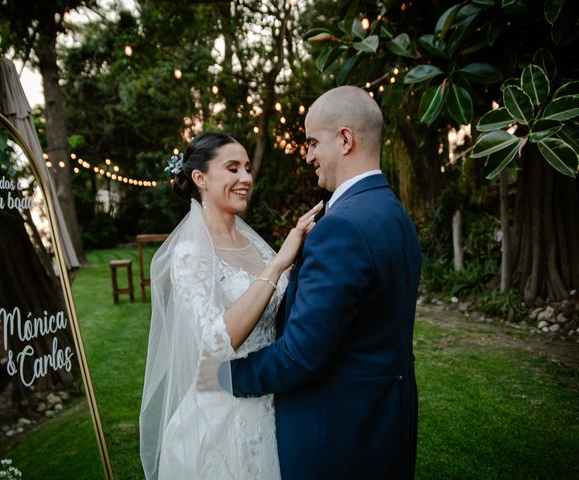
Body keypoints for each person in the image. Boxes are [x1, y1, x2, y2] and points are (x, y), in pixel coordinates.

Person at [228, 86, 423, 479]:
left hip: (336, 438)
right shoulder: (394, 213)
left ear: (346, 139)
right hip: (386, 424)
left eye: (313, 142)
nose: (308, 155)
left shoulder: (343, 227)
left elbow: (300, 356)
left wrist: (223, 376)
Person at [139, 132, 323, 480]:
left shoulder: (256, 245)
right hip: (225, 411)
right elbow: (217, 341)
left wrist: (301, 262)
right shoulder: (191, 254)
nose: (246, 178)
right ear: (200, 178)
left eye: (248, 169)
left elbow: (279, 306)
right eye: (233, 168)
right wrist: (278, 264)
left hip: (274, 398)